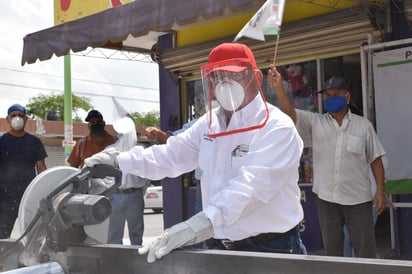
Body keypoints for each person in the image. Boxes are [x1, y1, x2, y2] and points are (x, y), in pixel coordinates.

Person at [85, 43, 306, 263]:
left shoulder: (277, 127)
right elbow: (171, 156)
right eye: (217, 77)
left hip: (271, 248)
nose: (224, 84)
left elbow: (251, 187)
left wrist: (199, 224)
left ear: (255, 78)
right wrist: (118, 161)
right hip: (220, 246)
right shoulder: (210, 123)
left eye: (233, 76)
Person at [269, 68, 386, 258]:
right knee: (333, 252)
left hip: (358, 200)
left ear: (347, 97)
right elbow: (290, 113)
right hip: (326, 200)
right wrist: (279, 88)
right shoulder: (316, 122)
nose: (331, 98)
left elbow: (376, 158)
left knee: (365, 251)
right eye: (328, 95)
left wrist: (380, 190)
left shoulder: (363, 125)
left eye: (336, 95)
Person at [0, 103, 47, 238]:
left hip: (29, 196)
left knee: (33, 234)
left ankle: (30, 259)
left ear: (26, 119)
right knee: (3, 235)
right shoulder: (2, 142)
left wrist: (43, 191)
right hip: (4, 198)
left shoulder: (34, 142)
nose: (17, 118)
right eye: (13, 115)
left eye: (20, 115)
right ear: (7, 119)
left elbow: (41, 168)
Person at [105, 117, 151, 246]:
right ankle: (115, 261)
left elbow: (147, 175)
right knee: (113, 234)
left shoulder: (140, 150)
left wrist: (140, 191)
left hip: (134, 195)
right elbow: (104, 176)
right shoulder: (109, 150)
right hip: (115, 196)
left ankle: (136, 260)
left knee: (136, 234)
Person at [343, 156, 388, 257]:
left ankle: (358, 267)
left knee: (360, 238)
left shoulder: (375, 152)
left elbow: (383, 167)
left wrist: (379, 191)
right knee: (347, 237)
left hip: (369, 200)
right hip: (348, 199)